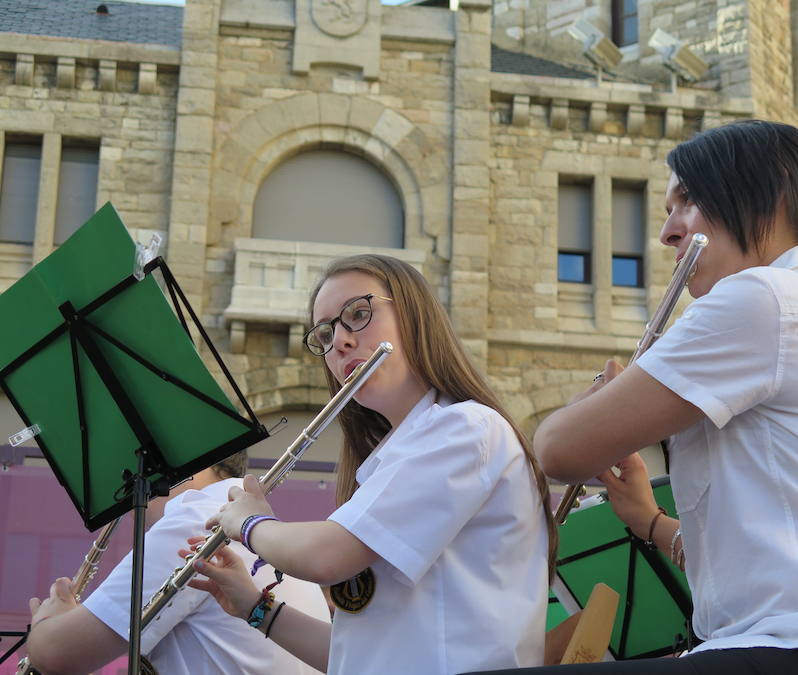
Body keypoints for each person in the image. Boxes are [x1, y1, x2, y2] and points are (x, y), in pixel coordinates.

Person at [470, 120, 798, 675]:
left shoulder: (764, 296)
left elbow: (556, 451)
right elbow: (792, 539)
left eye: (688, 200)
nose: (668, 232)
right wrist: (648, 520)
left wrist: (601, 399)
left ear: (774, 191)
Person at [189, 254, 557, 675]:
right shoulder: (395, 457)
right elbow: (360, 658)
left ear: (415, 316)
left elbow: (327, 556)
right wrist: (256, 607)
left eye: (358, 315)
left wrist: (251, 524)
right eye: (325, 334)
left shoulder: (465, 428)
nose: (339, 342)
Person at [25, 451, 330, 675]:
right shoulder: (245, 522)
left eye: (140, 457)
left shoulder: (196, 518)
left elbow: (58, 654)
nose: (128, 475)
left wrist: (48, 620)